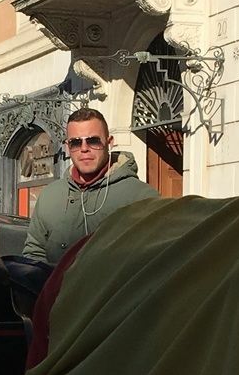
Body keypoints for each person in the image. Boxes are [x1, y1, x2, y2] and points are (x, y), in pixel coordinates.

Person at [20, 107, 158, 266]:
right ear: (67, 147)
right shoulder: (50, 195)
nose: (84, 148)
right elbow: (34, 252)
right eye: (76, 142)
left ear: (109, 142)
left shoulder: (142, 198)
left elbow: (154, 261)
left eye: (93, 141)